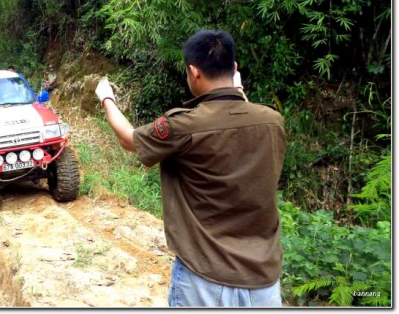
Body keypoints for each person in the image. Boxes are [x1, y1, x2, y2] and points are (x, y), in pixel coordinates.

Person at [94, 30, 286, 307]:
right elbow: (239, 116)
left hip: (204, 276)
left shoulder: (183, 126)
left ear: (194, 72)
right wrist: (239, 92)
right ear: (234, 69)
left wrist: (107, 99)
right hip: (263, 280)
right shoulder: (272, 121)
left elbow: (129, 138)